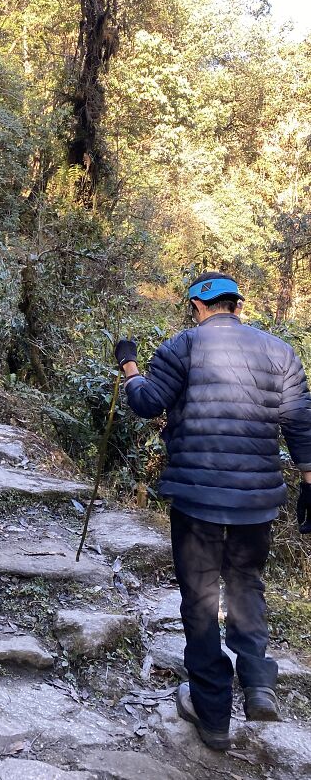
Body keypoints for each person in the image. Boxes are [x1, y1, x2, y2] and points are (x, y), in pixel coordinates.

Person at [114, 271, 311, 752]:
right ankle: (259, 680)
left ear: (198, 308)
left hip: (196, 497)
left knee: (200, 599)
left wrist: (129, 365)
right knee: (246, 583)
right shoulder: (280, 352)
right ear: (237, 305)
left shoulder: (181, 347)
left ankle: (214, 715)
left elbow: (147, 403)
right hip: (256, 499)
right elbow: (302, 422)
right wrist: (309, 482)